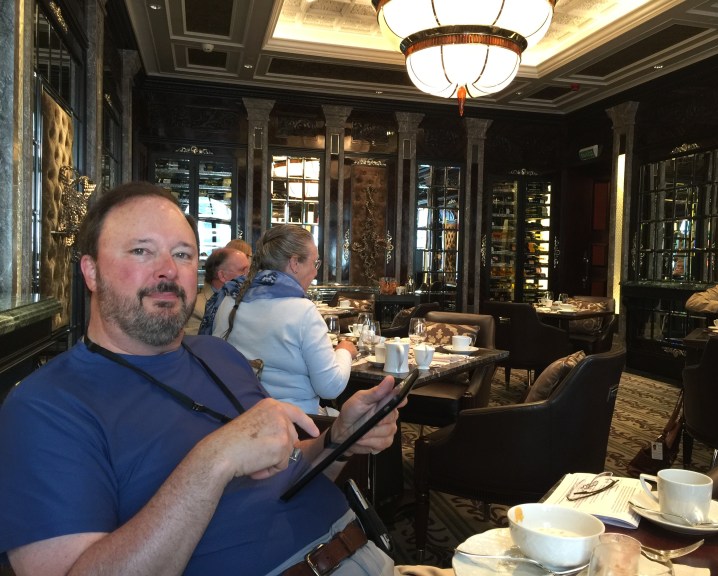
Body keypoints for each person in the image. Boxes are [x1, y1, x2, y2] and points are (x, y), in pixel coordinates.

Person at [0, 182, 449, 576]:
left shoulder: (220, 355)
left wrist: (339, 441)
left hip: (369, 554)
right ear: (91, 271)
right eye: (141, 250)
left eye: (182, 254)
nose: (167, 270)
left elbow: (286, 475)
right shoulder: (46, 406)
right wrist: (213, 460)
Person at [213, 224, 358, 414]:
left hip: (240, 419)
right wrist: (344, 351)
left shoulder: (231, 301)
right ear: (294, 263)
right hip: (296, 426)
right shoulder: (303, 311)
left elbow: (215, 361)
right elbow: (330, 387)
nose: (315, 273)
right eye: (314, 264)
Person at [185, 246, 250, 335]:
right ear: (222, 276)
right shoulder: (195, 308)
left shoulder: (248, 300)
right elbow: (199, 346)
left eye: (249, 270)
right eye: (243, 271)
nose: (249, 275)